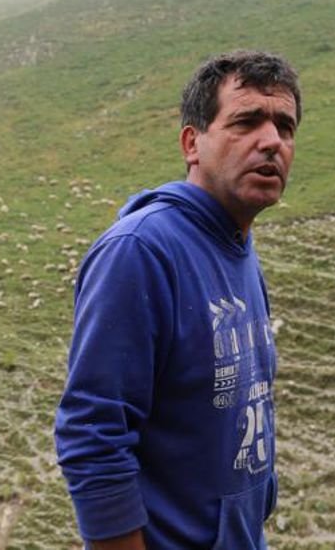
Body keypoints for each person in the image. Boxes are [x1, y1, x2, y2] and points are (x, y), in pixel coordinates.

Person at [54, 50, 301, 550]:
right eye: (246, 121)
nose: (271, 141)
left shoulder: (238, 249)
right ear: (193, 142)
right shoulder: (142, 251)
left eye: (285, 126)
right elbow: (92, 435)